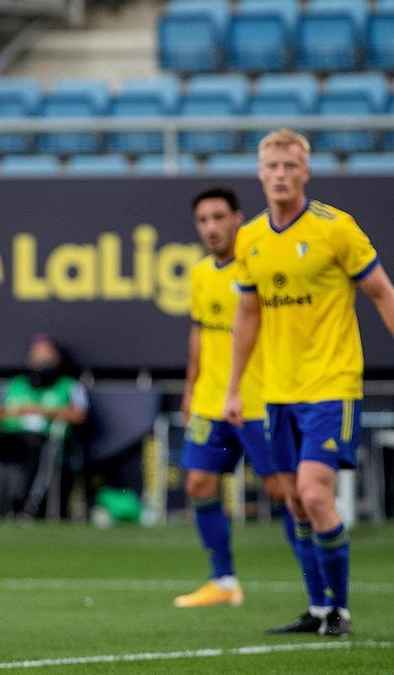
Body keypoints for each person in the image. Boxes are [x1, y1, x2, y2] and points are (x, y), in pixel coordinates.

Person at [225, 129, 394, 638]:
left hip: (332, 382)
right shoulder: (250, 238)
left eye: (290, 165)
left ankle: (339, 611)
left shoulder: (335, 228)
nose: (280, 174)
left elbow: (382, 291)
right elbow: (248, 315)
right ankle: (319, 608)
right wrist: (234, 388)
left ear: (306, 172)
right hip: (277, 389)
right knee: (295, 502)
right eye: (272, 165)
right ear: (259, 173)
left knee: (315, 493)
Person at [173, 186, 289, 608]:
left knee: (284, 491)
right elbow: (200, 333)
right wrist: (191, 387)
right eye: (203, 220)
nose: (211, 228)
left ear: (238, 218)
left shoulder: (256, 268)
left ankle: (320, 584)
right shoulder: (201, 273)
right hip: (210, 401)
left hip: (258, 401)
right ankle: (223, 581)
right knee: (199, 483)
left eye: (219, 217)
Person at [0, 334, 87, 518]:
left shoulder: (68, 386)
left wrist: (40, 410)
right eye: (36, 355)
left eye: (46, 355)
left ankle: (27, 508)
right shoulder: (16, 384)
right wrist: (17, 411)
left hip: (42, 440)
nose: (41, 360)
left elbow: (79, 415)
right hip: (10, 436)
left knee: (33, 452)